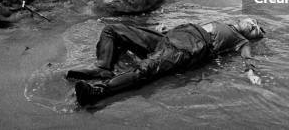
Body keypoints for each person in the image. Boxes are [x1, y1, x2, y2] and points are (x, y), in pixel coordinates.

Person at [67, 18, 265, 106]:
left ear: (252, 36)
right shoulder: (225, 23)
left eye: (256, 28)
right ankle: (102, 67)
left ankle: (97, 93)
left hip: (186, 48)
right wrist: (164, 30)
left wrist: (251, 73)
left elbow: (248, 58)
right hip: (169, 36)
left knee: (145, 69)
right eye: (254, 21)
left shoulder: (241, 40)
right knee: (113, 30)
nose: (253, 25)